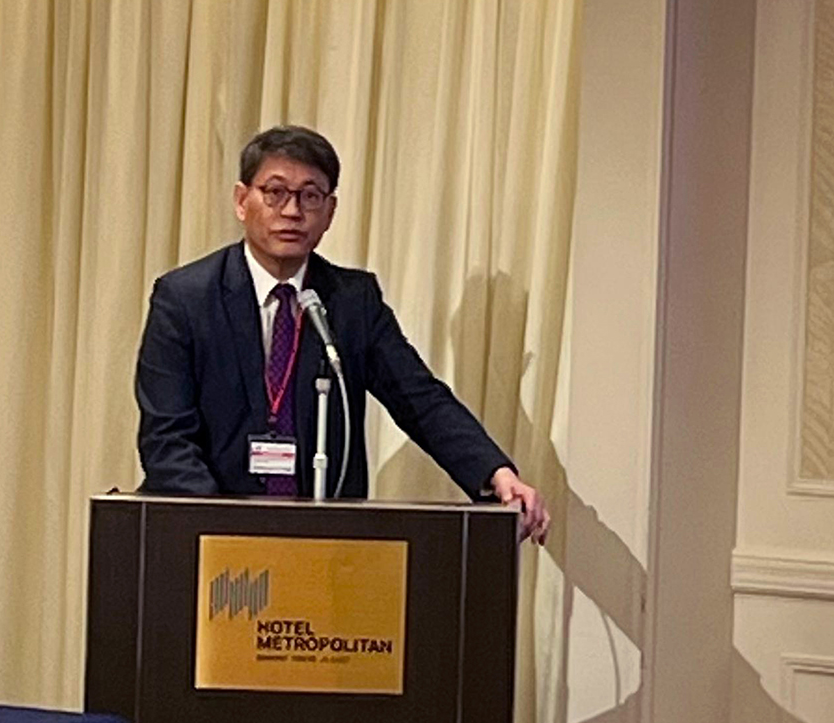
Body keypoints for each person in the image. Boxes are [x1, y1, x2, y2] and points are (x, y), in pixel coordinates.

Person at [134, 125, 552, 543]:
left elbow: (419, 399)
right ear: (242, 201)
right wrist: (224, 529)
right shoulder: (185, 299)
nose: (292, 211)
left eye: (310, 196)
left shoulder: (352, 301)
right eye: (275, 192)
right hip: (212, 542)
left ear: (330, 211)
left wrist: (496, 473)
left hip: (325, 541)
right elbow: (167, 437)